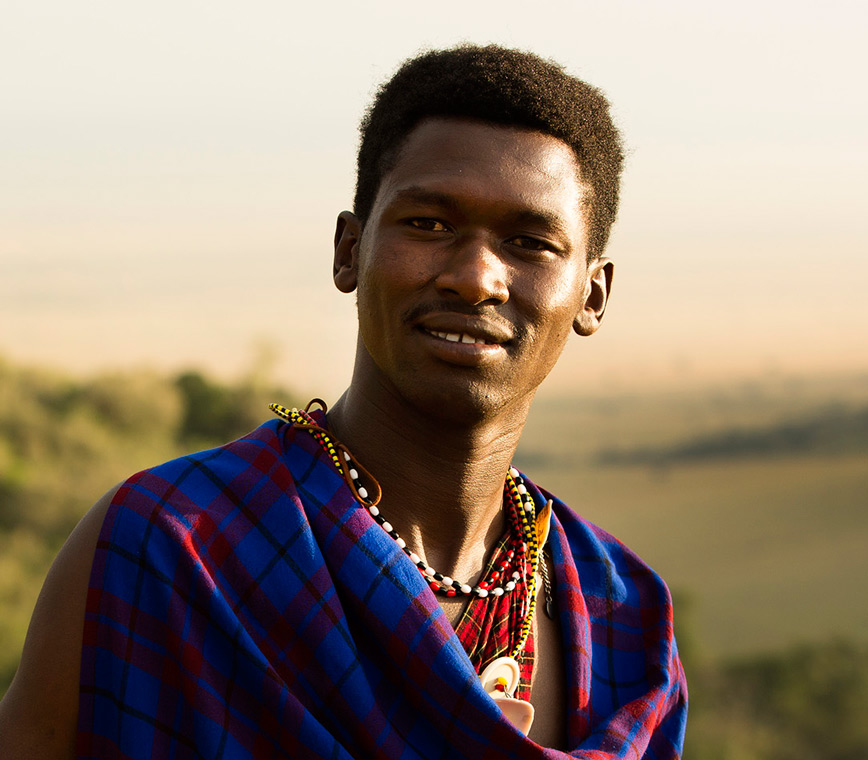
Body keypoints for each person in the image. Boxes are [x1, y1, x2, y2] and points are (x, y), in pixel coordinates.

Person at [0, 45, 687, 758]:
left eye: (529, 242)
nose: (475, 277)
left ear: (592, 294)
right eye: (428, 225)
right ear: (348, 251)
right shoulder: (174, 545)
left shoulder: (623, 620)